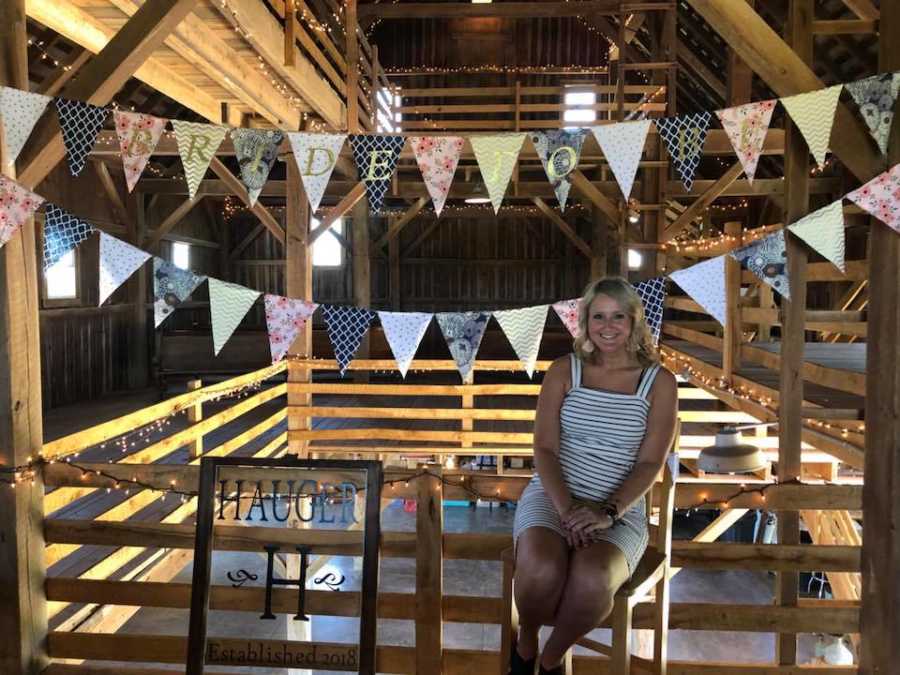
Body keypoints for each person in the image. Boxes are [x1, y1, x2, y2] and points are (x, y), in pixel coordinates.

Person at [509, 277, 678, 675]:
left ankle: (552, 658)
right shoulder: (564, 370)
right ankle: (526, 641)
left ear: (635, 320)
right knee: (541, 566)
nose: (608, 326)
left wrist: (608, 511)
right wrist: (567, 509)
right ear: (584, 322)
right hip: (554, 496)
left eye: (618, 316)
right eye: (598, 316)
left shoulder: (660, 383)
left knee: (594, 576)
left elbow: (650, 463)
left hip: (620, 507)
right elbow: (544, 449)